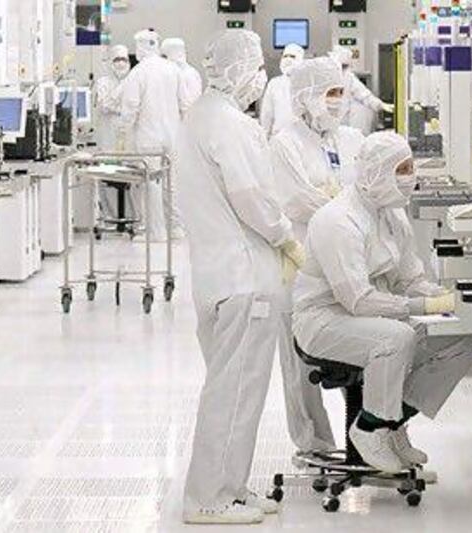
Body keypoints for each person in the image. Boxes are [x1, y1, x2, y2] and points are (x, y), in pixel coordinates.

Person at [292, 131, 472, 474]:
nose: (411, 178)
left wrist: (447, 300)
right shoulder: (339, 221)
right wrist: (421, 308)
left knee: (464, 339)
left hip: (378, 313)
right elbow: (357, 301)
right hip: (324, 321)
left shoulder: (392, 214)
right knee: (395, 338)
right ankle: (369, 428)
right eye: (403, 169)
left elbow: (409, 280)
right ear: (377, 172)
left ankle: (393, 424)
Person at [178, 29, 304, 525]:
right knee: (233, 392)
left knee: (236, 390)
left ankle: (230, 487)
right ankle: (207, 498)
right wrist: (287, 238)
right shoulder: (228, 123)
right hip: (243, 276)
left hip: (218, 274)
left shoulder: (201, 118)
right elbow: (252, 196)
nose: (261, 77)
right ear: (237, 69)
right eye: (255, 67)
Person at [270, 57, 365, 455]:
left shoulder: (352, 139)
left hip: (353, 260)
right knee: (300, 362)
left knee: (361, 350)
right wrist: (342, 203)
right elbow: (296, 202)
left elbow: (368, 191)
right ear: (306, 97)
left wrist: (334, 199)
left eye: (341, 93)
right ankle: (314, 444)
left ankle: (365, 436)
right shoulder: (285, 142)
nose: (338, 101)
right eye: (330, 94)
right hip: (301, 260)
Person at [119, 29, 187, 241]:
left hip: (149, 137)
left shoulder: (138, 72)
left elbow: (130, 107)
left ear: (139, 47)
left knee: (152, 183)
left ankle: (155, 232)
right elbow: (185, 104)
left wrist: (122, 133)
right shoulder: (173, 70)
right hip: (173, 135)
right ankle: (176, 228)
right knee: (172, 183)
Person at [161, 37, 204, 237]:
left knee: (176, 184)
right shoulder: (188, 72)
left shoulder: (185, 74)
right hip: (179, 134)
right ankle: (176, 224)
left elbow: (188, 106)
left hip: (183, 135)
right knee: (174, 183)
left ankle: (179, 225)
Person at [93, 44, 135, 220]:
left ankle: (131, 218)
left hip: (129, 139)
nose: (120, 63)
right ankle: (110, 218)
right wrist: (122, 103)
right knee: (107, 178)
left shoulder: (134, 81)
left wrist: (119, 105)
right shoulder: (102, 83)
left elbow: (134, 106)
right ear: (110, 62)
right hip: (109, 139)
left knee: (132, 180)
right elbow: (104, 106)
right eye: (117, 60)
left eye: (124, 59)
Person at [330, 45, 395, 135]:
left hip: (342, 123)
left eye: (344, 66)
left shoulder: (348, 77)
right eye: (341, 66)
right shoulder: (324, 77)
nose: (342, 69)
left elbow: (364, 95)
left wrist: (381, 105)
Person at [259, 43, 305, 138]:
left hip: (301, 138)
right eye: (285, 56)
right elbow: (267, 114)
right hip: (278, 138)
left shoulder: (307, 83)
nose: (288, 59)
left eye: (292, 56)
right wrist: (264, 138)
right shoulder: (274, 83)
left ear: (301, 59)